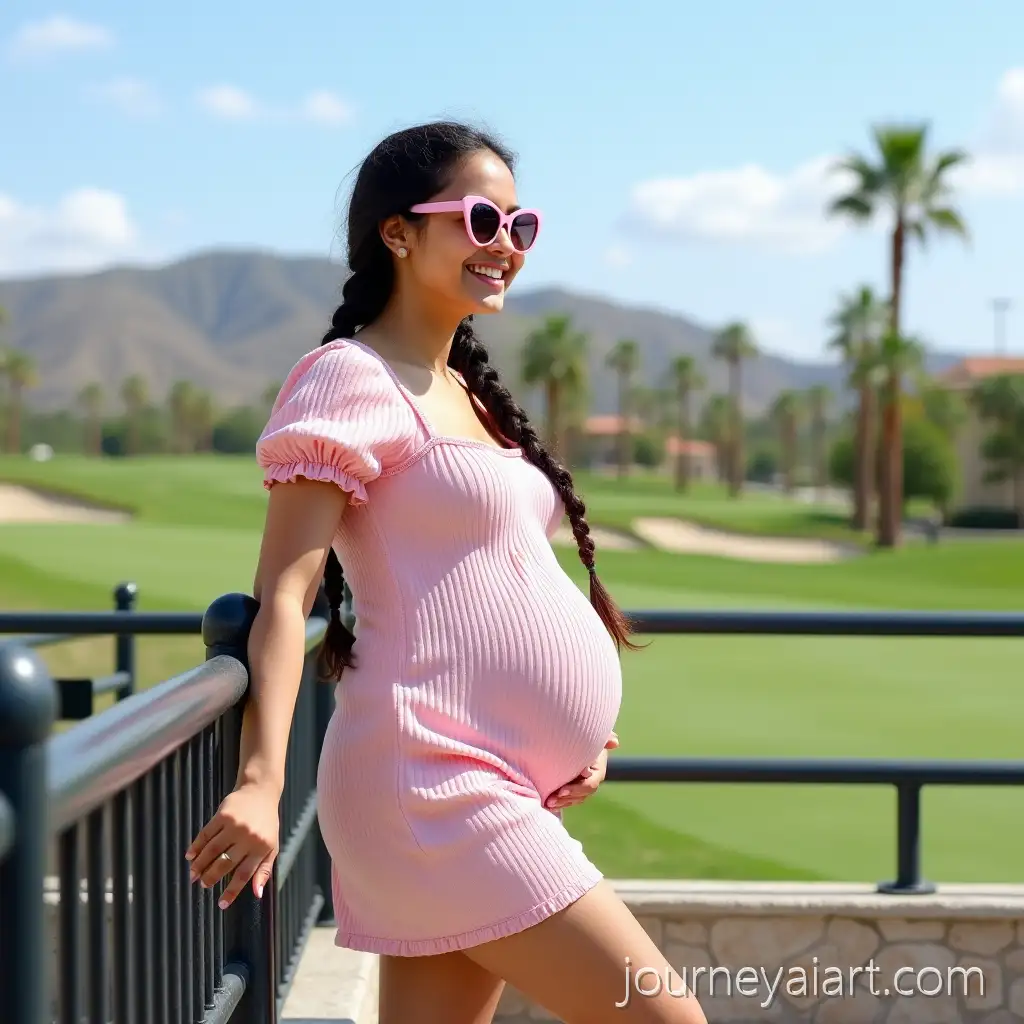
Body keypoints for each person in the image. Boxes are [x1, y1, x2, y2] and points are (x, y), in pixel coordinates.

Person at [185, 121, 707, 1024]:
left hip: (494, 779)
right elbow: (283, 592)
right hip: (432, 786)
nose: (504, 245)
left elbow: (491, 584)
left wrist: (571, 737)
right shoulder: (348, 377)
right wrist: (262, 781)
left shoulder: (466, 390)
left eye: (520, 224)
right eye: (478, 218)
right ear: (398, 232)